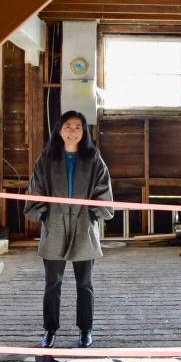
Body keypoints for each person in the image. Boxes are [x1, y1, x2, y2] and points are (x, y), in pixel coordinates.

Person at [25, 110, 113, 348]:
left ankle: (85, 330)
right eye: (68, 127)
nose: (72, 132)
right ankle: (50, 330)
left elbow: (103, 189)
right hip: (55, 224)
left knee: (85, 284)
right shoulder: (47, 158)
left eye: (77, 127)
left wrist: (93, 213)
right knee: (52, 284)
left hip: (83, 226)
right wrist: (45, 213)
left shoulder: (93, 158)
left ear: (84, 132)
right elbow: (36, 189)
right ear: (59, 130)